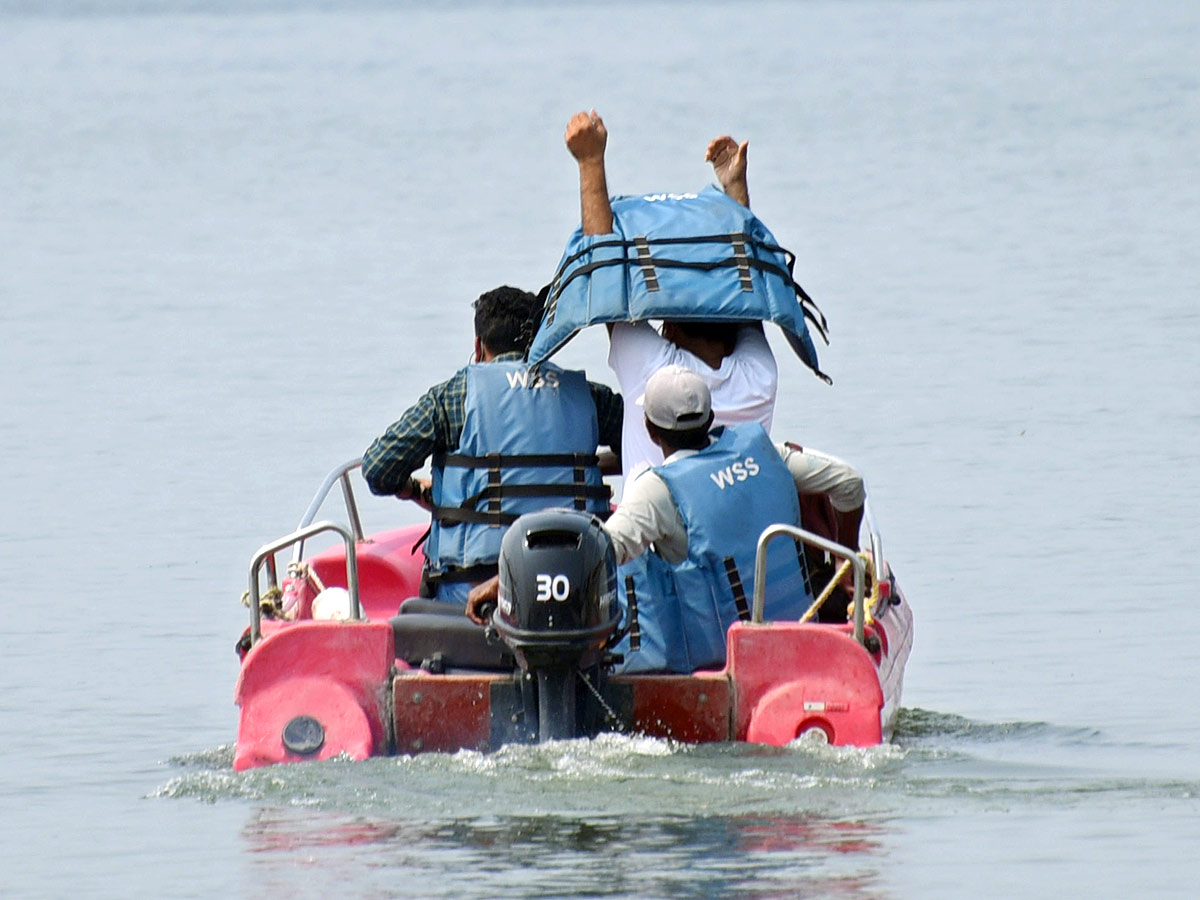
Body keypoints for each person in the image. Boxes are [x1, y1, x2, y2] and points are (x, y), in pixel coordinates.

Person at [469, 365, 865, 674]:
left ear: (650, 429)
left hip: (725, 659)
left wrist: (500, 582)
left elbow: (593, 555)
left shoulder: (657, 491)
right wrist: (847, 560)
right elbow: (850, 483)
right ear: (710, 416)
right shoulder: (764, 450)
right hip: (801, 631)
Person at [362, 285, 623, 605]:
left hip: (471, 596)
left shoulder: (454, 396)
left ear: (478, 345)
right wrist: (589, 465)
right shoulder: (588, 396)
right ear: (541, 339)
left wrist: (416, 490)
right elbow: (647, 444)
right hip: (576, 590)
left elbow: (379, 469)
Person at [564, 109, 779, 480]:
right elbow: (747, 290)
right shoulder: (759, 379)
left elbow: (605, 277)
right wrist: (735, 190)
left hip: (649, 534)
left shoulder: (655, 373)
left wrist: (590, 160)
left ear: (671, 329)